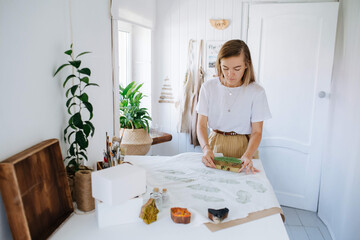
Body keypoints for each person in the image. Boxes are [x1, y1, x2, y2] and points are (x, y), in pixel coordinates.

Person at [196, 39, 271, 174]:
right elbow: (201, 125)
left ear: (246, 65)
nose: (230, 74)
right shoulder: (208, 87)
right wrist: (206, 148)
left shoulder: (256, 92)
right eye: (225, 68)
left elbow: (257, 132)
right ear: (219, 65)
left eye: (237, 69)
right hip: (214, 144)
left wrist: (248, 155)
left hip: (244, 147)